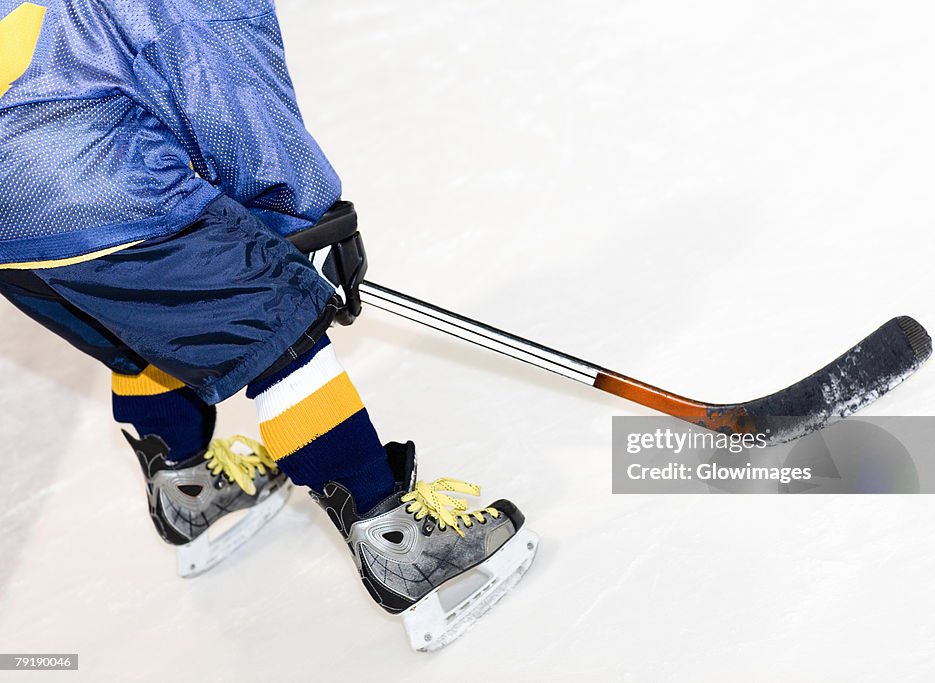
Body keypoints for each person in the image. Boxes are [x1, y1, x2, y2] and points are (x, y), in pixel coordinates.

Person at [0, 0, 536, 651]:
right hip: (95, 183)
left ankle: (187, 483)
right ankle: (393, 535)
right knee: (278, 326)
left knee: (143, 320)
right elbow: (218, 76)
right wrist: (301, 213)